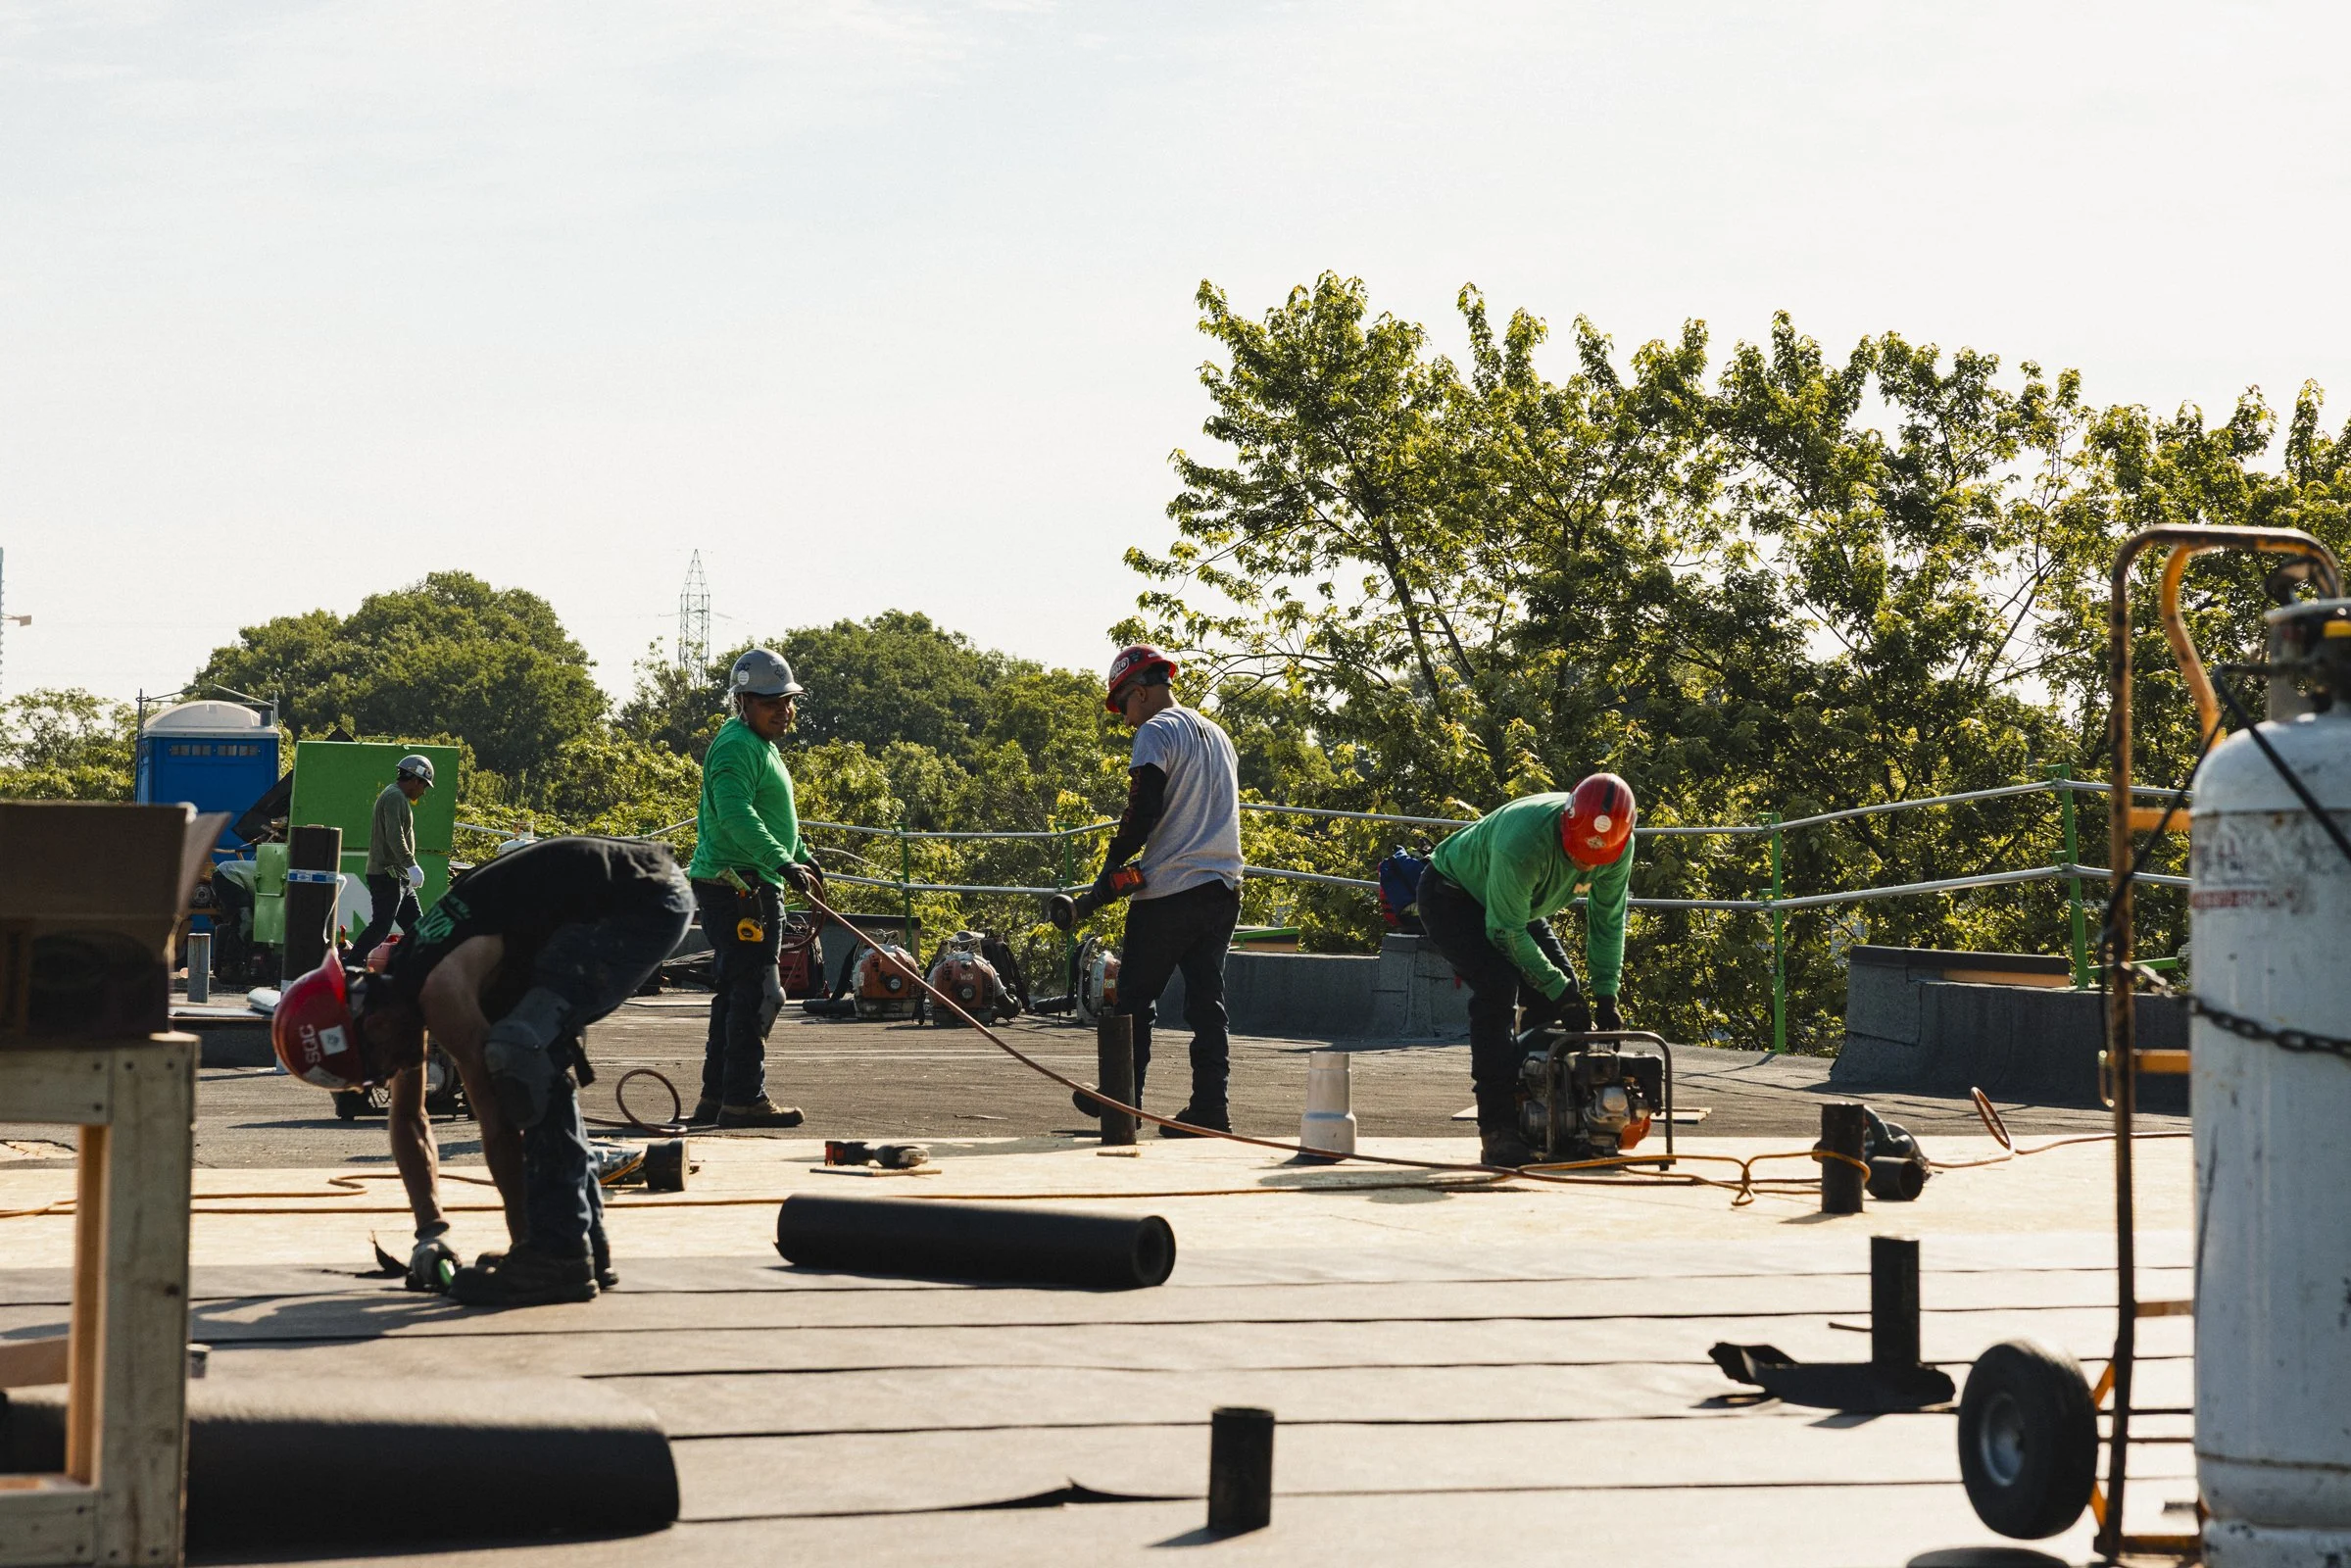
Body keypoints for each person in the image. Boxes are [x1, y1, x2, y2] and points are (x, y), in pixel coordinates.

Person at [271, 835, 696, 1305]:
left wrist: (524, 1251)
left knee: (519, 1055)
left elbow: (498, 1125)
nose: (393, 1070)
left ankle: (556, 1254)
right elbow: (409, 1119)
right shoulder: (396, 999)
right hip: (602, 908)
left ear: (371, 1025)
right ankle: (582, 1246)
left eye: (380, 1064)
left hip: (639, 899)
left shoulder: (437, 991)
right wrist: (429, 1232)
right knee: (538, 1055)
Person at [1415, 773, 1638, 1167]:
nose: (1586, 864)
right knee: (1498, 990)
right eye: (1578, 855)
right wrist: (1561, 991)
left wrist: (1606, 994)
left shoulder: (1620, 846)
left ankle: (1551, 1118)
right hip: (1454, 895)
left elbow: (1607, 922)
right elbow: (1503, 931)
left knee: (1560, 997)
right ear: (1565, 827)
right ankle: (1498, 1127)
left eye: (1595, 860)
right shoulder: (1525, 839)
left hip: (1520, 906)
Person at [1074, 644, 1244, 1135]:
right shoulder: (1216, 734)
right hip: (1223, 886)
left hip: (1170, 889)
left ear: (1141, 693)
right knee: (1207, 1002)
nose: (1125, 719)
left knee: (1134, 999)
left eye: (1123, 705)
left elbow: (1141, 811)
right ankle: (1211, 1108)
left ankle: (1123, 1103)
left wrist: (1110, 866)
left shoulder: (1155, 731)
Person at [685, 648, 825, 1129]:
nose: (784, 711)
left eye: (788, 702)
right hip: (740, 885)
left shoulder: (758, 746)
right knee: (759, 994)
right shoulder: (736, 746)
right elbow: (736, 815)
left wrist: (801, 854)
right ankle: (744, 1098)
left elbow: (771, 816)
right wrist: (781, 862)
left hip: (750, 881)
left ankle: (718, 1097)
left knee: (736, 992)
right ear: (742, 701)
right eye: (772, 703)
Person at [348, 754, 434, 960]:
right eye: (424, 785)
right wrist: (411, 864)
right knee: (381, 926)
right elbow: (394, 837)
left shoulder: (397, 796)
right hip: (388, 875)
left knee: (417, 929)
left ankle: (417, 970)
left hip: (399, 876)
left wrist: (408, 869)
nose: (423, 792)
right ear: (415, 779)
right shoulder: (394, 797)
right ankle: (351, 965)